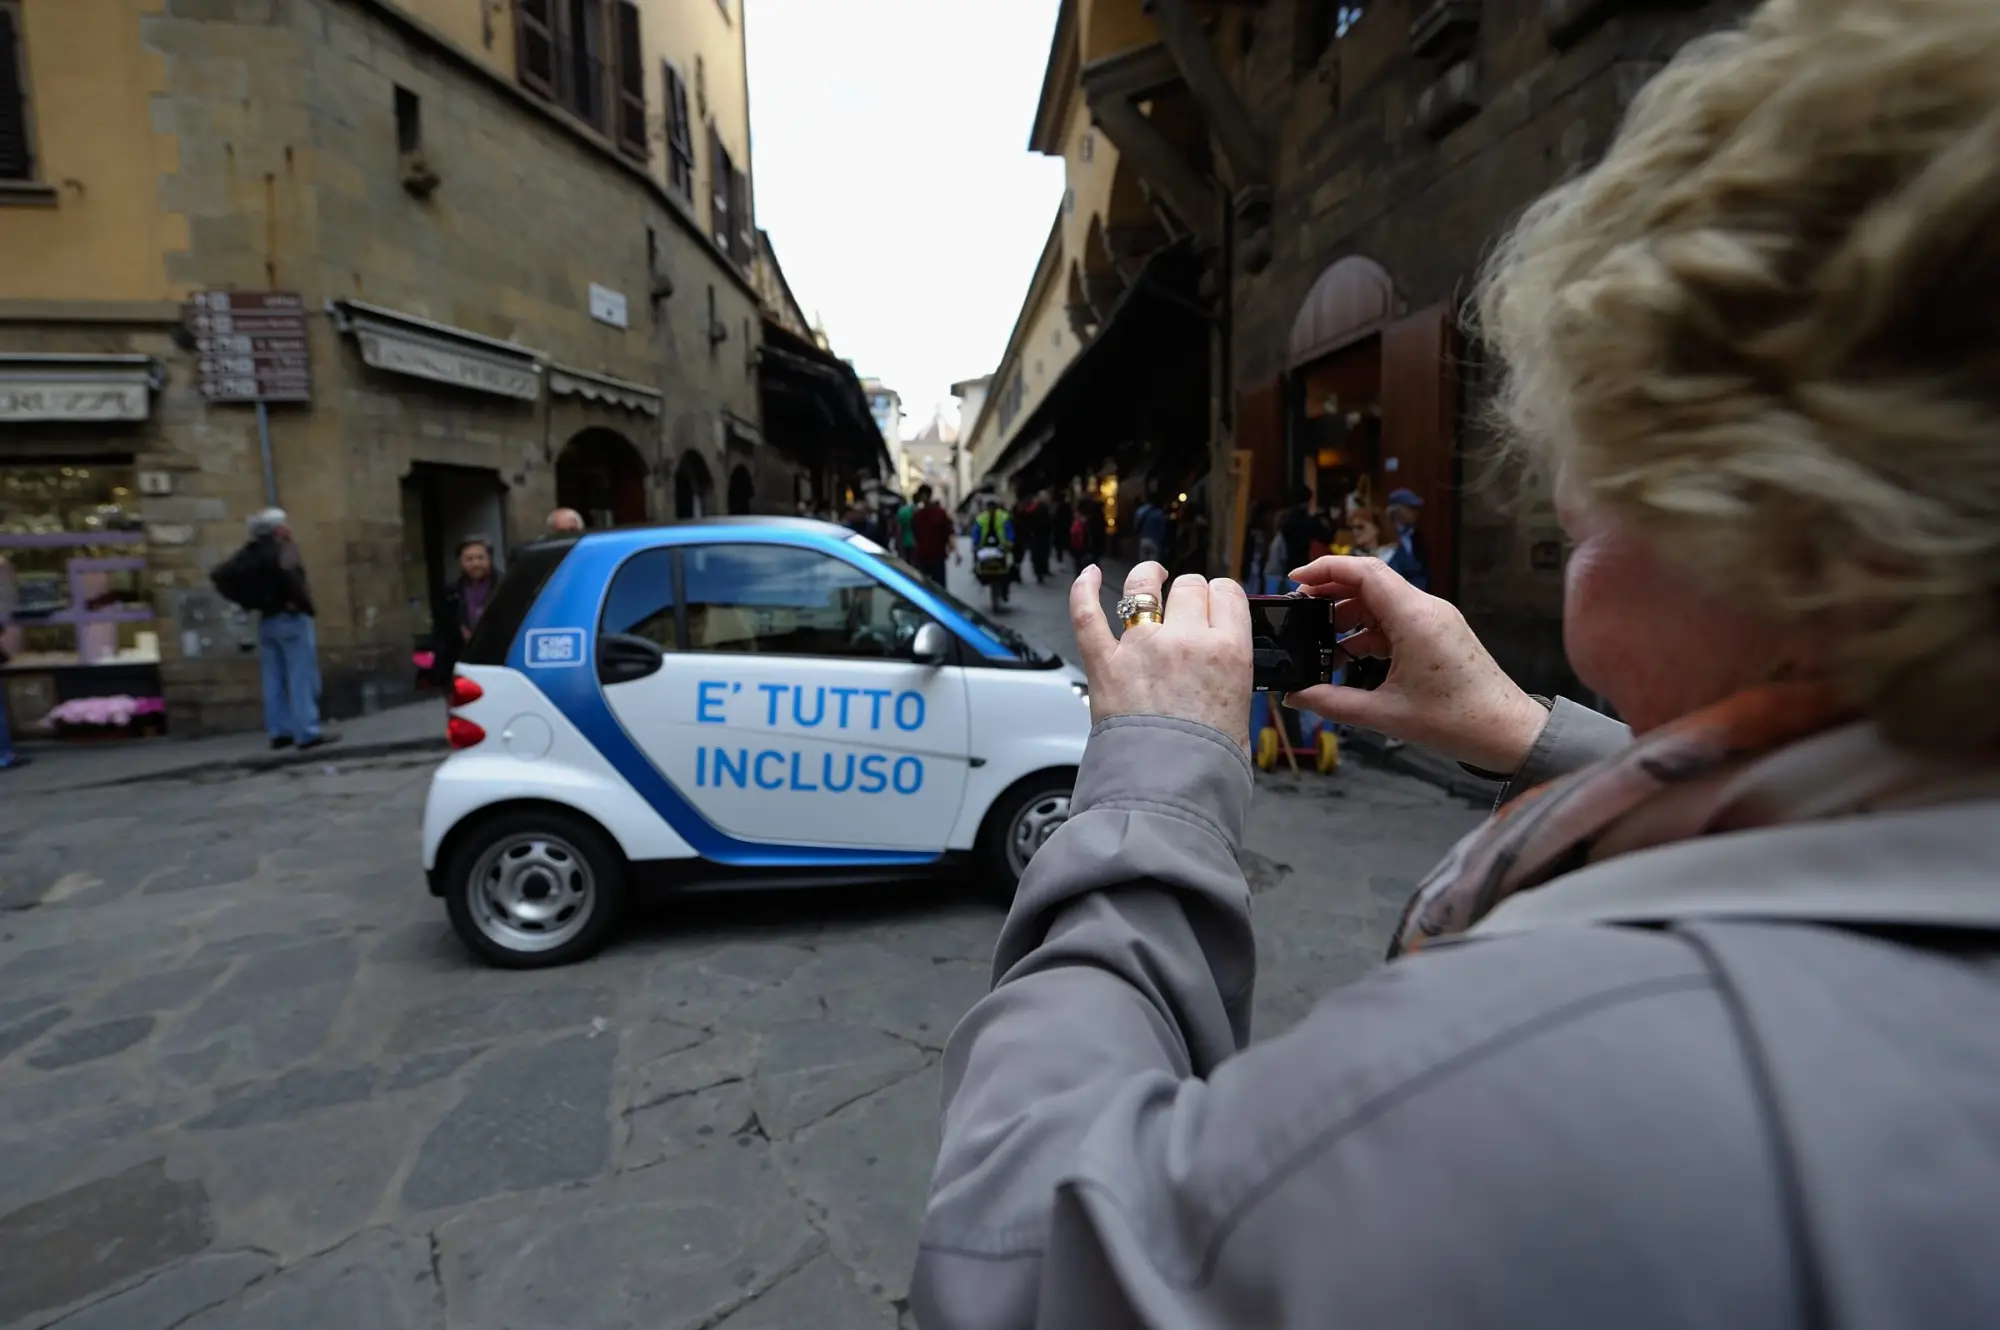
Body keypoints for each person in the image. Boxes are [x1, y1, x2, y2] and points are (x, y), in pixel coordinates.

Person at [913, 2, 2000, 1324]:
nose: (1561, 489)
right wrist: (1526, 733)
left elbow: (1019, 1261)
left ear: (1785, 508)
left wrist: (1151, 780)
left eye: (1605, 440)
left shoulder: (1568, 1075)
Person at [241, 509, 332, 753]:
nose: (289, 528)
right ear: (278, 529)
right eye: (285, 524)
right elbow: (292, 578)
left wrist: (251, 602)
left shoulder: (252, 552)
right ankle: (306, 732)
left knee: (273, 678)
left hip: (267, 620)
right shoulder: (284, 549)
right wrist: (305, 606)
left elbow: (222, 575)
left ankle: (279, 732)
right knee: (301, 676)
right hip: (290, 618)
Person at [909, 484, 958, 586]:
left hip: (935, 556)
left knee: (936, 586)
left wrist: (955, 551)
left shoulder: (938, 513)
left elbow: (948, 532)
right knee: (928, 586)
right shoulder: (918, 515)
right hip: (925, 556)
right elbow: (915, 535)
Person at [971, 495, 1017, 604]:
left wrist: (1010, 542)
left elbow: (1009, 531)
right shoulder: (981, 519)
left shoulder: (1003, 517)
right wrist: (975, 545)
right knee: (978, 566)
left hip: (1001, 547)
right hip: (985, 547)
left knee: (1008, 568)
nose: (991, 512)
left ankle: (1005, 589)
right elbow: (976, 533)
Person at [1384, 486, 1430, 591]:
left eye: (1416, 509)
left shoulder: (1417, 536)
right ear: (1396, 510)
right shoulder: (1386, 534)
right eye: (1410, 508)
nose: (1415, 513)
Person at [1021, 490, 1054, 584]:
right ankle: (1040, 572)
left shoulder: (1031, 509)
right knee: (1040, 554)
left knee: (1038, 554)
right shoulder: (1040, 509)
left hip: (1037, 535)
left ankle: (1039, 572)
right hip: (1039, 535)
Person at [1133, 489, 1170, 564]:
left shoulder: (1142, 511)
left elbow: (1137, 523)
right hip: (1155, 541)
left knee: (1143, 563)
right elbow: (1162, 529)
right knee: (1153, 564)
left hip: (1143, 539)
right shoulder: (1159, 513)